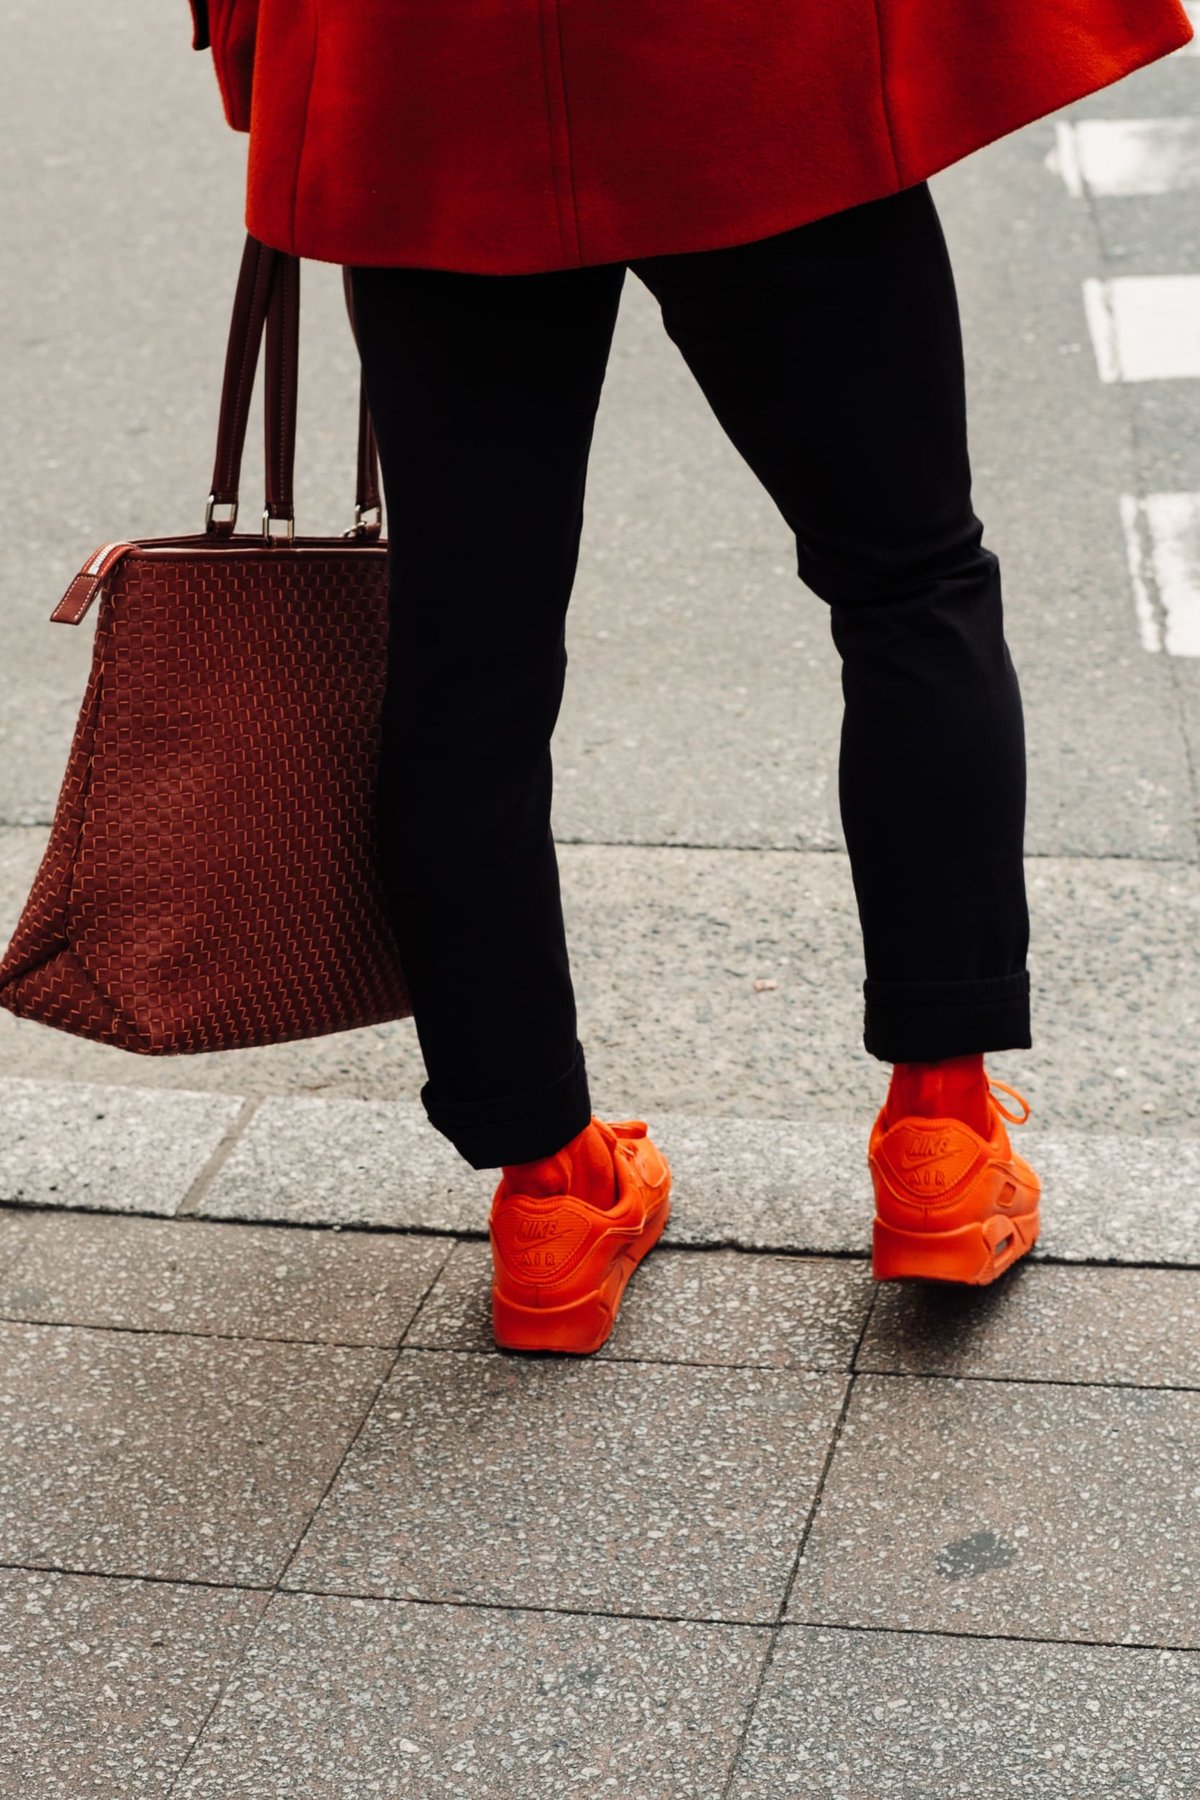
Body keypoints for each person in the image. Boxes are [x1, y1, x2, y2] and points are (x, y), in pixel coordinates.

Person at [189, 0, 1193, 1354]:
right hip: (746, 61)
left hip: (422, 76)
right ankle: (941, 1139)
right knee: (909, 580)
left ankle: (549, 1195)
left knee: (466, 661)